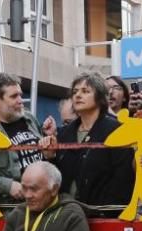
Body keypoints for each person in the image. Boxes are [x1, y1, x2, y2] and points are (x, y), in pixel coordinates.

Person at [0, 73, 56, 208]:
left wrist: (49, 151)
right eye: (14, 96)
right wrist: (7, 186)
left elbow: (44, 157)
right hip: (8, 211)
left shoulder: (29, 118)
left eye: (20, 94)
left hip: (42, 205)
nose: (21, 100)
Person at [48, 72, 134, 212]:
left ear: (100, 97)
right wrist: (49, 156)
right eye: (75, 92)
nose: (77, 95)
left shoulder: (116, 130)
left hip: (103, 212)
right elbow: (55, 176)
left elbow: (123, 177)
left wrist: (106, 211)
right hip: (65, 213)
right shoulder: (63, 133)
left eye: (85, 91)